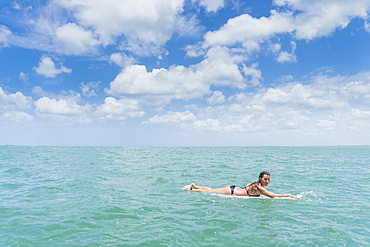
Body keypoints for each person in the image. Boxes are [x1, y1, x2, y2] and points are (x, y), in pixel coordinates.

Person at [182, 171, 300, 199]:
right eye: (265, 179)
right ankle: (191, 189)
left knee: (212, 189)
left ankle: (195, 186)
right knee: (210, 192)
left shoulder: (256, 184)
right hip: (232, 191)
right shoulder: (259, 187)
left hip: (233, 188)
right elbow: (273, 196)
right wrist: (290, 195)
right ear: (260, 179)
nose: (267, 181)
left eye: (269, 179)